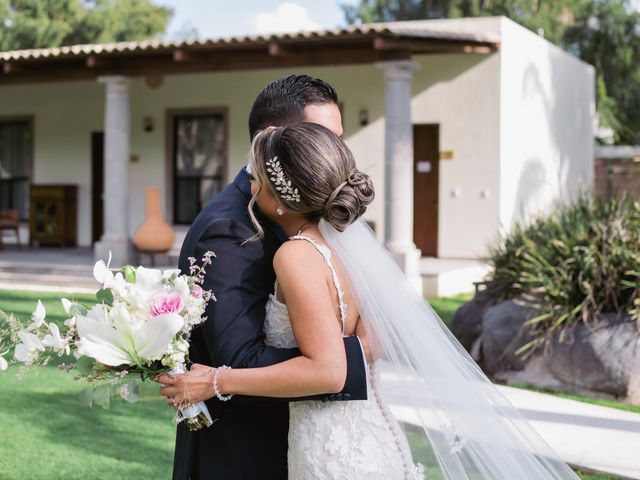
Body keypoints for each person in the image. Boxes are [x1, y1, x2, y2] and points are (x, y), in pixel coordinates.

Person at [161, 121, 582, 480]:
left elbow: (328, 372)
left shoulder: (294, 255)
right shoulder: (346, 247)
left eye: (259, 179)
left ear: (281, 197)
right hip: (369, 430)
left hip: (329, 446)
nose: (251, 185)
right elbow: (372, 338)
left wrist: (216, 380)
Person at [157, 75, 370, 480]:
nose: (334, 153)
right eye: (322, 136)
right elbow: (238, 359)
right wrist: (346, 360)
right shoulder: (230, 228)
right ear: (273, 139)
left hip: (314, 444)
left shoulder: (322, 222)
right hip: (244, 454)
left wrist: (341, 357)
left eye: (339, 140)